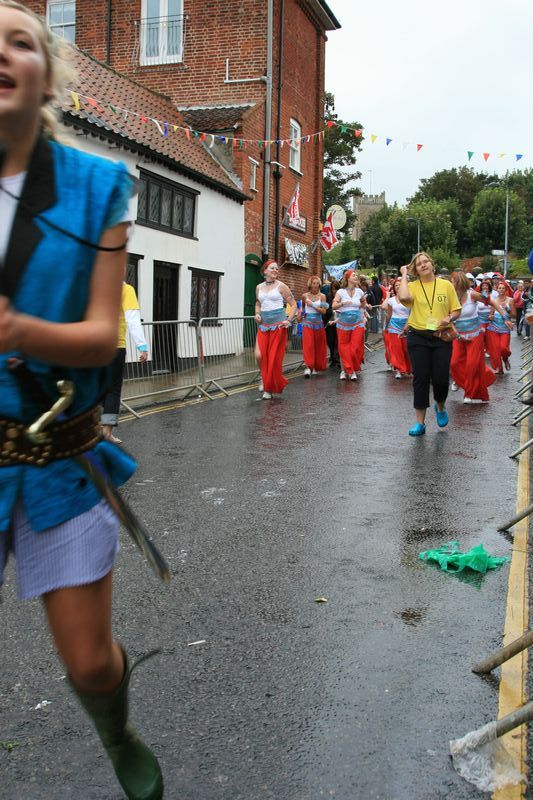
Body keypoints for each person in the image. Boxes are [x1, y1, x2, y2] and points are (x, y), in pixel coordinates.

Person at [0, 4, 163, 798]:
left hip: (60, 451)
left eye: (19, 43)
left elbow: (102, 337)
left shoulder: (99, 186)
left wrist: (17, 328)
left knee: (91, 661)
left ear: (47, 78)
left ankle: (116, 724)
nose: (1, 54)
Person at [397, 252, 462, 436]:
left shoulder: (446, 285)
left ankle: (440, 406)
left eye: (426, 262)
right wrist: (403, 274)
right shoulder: (412, 286)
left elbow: (456, 310)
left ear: (432, 264)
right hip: (418, 337)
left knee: (441, 379)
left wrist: (448, 318)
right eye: (418, 264)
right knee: (420, 378)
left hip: (441, 336)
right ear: (415, 270)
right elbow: (403, 299)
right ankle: (420, 422)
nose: (423, 265)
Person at [449, 272, 508, 403]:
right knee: (454, 363)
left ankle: (468, 394)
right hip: (459, 337)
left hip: (475, 336)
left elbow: (492, 302)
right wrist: (457, 335)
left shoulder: (472, 294)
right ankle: (461, 381)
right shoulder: (450, 298)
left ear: (459, 282)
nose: (450, 284)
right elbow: (449, 321)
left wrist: (505, 318)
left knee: (471, 365)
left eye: (452, 281)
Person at [101, 282, 148, 443]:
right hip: (115, 347)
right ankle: (106, 432)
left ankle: (91, 429)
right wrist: (142, 346)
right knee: (112, 391)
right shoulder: (126, 290)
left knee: (95, 387)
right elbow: (133, 320)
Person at [254, 259, 296, 399]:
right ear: (265, 270)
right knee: (259, 355)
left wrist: (288, 320)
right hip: (263, 326)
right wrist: (257, 314)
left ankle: (268, 389)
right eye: (272, 268)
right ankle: (264, 377)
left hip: (278, 327)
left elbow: (293, 305)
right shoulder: (259, 287)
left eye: (277, 269)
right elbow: (258, 303)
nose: (275, 270)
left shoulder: (282, 286)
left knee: (272, 359)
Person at [332, 269, 367, 380]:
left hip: (357, 323)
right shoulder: (340, 292)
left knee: (354, 348)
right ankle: (348, 371)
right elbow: (333, 306)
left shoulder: (359, 292)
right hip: (343, 324)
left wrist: (365, 308)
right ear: (348, 278)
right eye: (353, 275)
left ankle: (350, 369)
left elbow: (363, 303)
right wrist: (342, 303)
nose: (356, 277)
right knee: (344, 348)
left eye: (356, 275)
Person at [299, 275, 328, 376]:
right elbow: (302, 308)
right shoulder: (304, 296)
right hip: (307, 324)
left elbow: (324, 311)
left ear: (319, 285)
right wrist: (300, 315)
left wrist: (313, 305)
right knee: (308, 345)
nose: (315, 285)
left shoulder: (323, 296)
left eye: (317, 283)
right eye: (313, 283)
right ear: (310, 285)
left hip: (319, 325)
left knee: (318, 346)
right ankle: (308, 367)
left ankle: (316, 366)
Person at [383, 277, 411, 379]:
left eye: (400, 285)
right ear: (394, 288)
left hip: (406, 326)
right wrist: (386, 326)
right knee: (396, 349)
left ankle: (407, 368)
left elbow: (412, 314)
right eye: (396, 286)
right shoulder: (391, 300)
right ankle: (399, 370)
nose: (398, 287)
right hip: (393, 326)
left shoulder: (409, 299)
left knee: (406, 349)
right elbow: (389, 314)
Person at [486, 280, 515, 374]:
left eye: (503, 288)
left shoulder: (510, 300)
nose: (501, 290)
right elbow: (490, 315)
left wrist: (508, 310)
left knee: (503, 348)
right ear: (496, 289)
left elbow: (514, 316)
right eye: (499, 288)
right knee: (495, 350)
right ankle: (499, 369)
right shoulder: (494, 301)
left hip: (505, 328)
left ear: (506, 289)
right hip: (493, 328)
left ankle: (505, 358)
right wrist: (490, 317)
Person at [323, 278, 340, 366]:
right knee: (330, 341)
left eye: (337, 288)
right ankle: (333, 357)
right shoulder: (328, 296)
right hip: (329, 322)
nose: (335, 291)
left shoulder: (340, 297)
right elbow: (325, 309)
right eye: (334, 288)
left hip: (338, 322)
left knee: (337, 341)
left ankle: (336, 358)